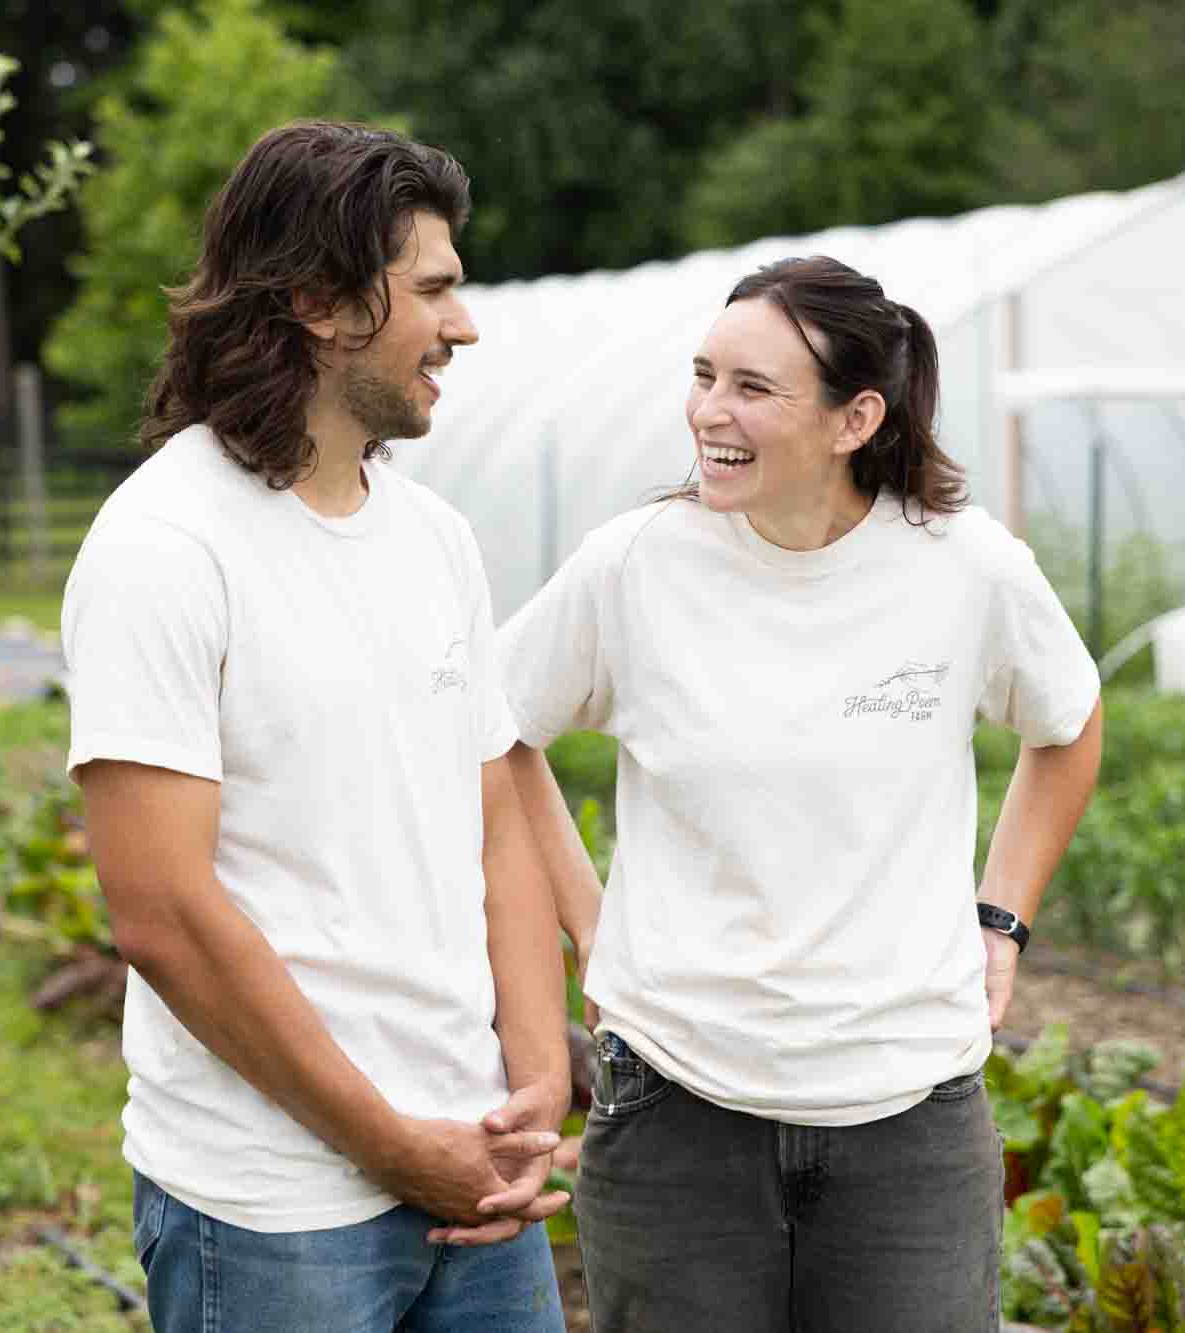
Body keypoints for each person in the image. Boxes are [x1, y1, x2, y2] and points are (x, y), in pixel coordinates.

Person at [475, 256, 1103, 1332]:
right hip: (674, 1106)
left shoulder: (963, 570)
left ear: (855, 418)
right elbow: (493, 730)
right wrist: (590, 920)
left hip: (908, 1114)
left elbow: (1068, 722)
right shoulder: (634, 565)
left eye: (751, 388)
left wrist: (1000, 918)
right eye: (702, 375)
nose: (707, 413)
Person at [61, 120, 570, 1333]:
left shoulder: (434, 539)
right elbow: (163, 914)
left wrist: (537, 1077)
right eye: (434, 290)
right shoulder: (164, 548)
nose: (465, 326)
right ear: (321, 303)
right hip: (273, 1207)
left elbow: (495, 819)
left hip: (477, 1172)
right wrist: (390, 1144)